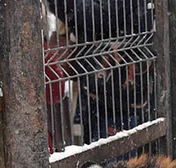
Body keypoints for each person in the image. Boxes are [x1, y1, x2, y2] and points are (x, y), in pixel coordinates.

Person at [56, 0, 155, 143]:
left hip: (120, 95)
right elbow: (80, 20)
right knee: (96, 153)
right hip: (101, 91)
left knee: (117, 158)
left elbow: (103, 19)